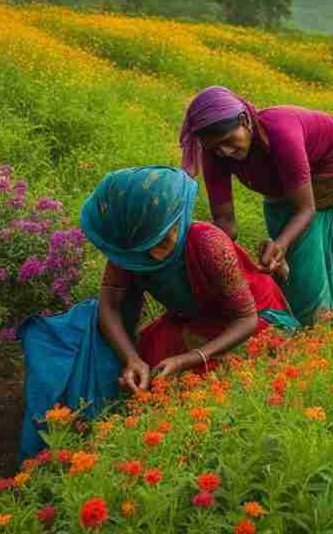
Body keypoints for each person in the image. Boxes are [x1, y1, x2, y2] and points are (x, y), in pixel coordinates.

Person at [18, 166, 298, 459]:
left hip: (248, 317)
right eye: (147, 247)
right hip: (192, 318)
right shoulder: (133, 248)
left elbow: (246, 319)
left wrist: (189, 359)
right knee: (147, 379)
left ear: (180, 217)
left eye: (163, 240)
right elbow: (109, 305)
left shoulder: (209, 243)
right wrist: (131, 360)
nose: (154, 254)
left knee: (229, 392)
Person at [180, 86, 333, 332]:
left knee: (307, 274)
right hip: (285, 187)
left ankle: (326, 337)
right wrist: (211, 259)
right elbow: (225, 222)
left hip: (331, 173)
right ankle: (301, 331)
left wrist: (280, 244)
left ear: (244, 120)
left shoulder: (281, 133)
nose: (225, 151)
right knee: (279, 266)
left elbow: (305, 208)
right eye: (216, 147)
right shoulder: (214, 153)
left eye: (228, 141)